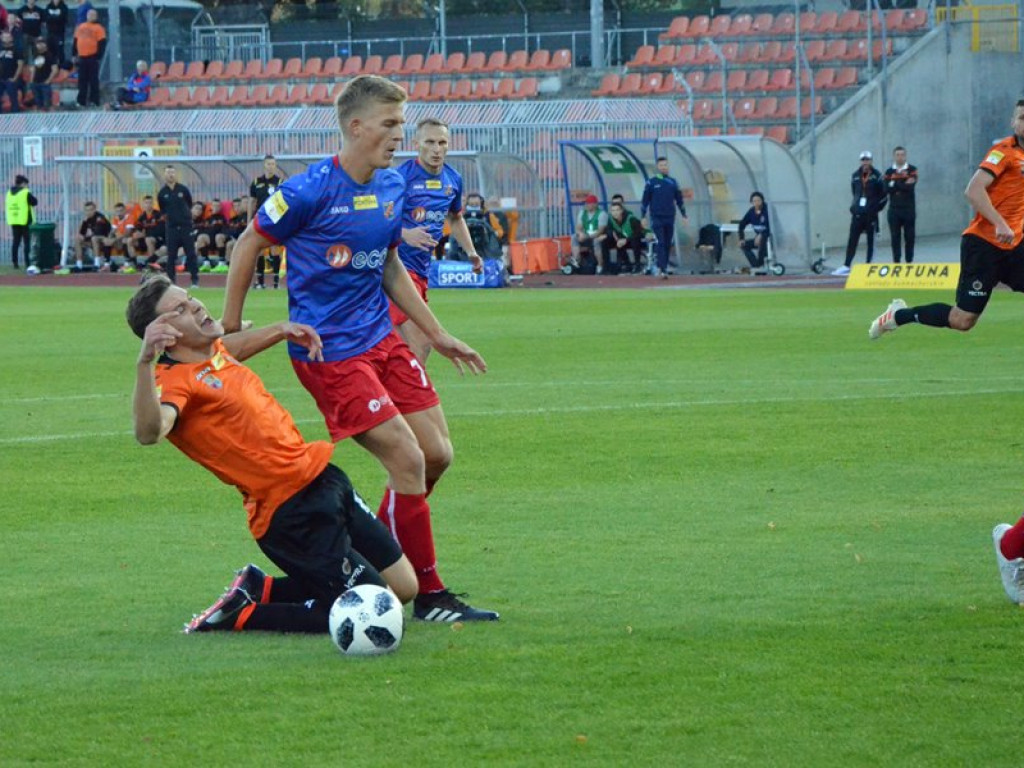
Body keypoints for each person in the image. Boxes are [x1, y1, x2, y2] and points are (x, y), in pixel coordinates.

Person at [223, 74, 499, 623]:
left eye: (402, 123)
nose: (399, 135)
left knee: (437, 455)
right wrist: (230, 324)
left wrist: (436, 333)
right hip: (330, 354)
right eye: (390, 123)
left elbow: (390, 265)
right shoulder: (308, 190)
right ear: (355, 126)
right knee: (408, 460)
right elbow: (249, 242)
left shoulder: (393, 186)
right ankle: (428, 593)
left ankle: (378, 540)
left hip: (381, 339)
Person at [126, 274, 417, 633]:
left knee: (405, 588)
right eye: (181, 309)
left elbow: (230, 347)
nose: (196, 306)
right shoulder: (173, 382)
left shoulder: (213, 354)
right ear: (164, 334)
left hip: (325, 479)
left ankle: (261, 589)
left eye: (190, 298)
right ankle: (242, 615)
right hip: (291, 513)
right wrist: (144, 362)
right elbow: (149, 432)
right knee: (378, 609)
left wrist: (281, 330)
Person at [869, 100, 1024, 340]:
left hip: (1015, 246)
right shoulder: (1003, 152)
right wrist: (1000, 223)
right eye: (1021, 118)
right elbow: (973, 191)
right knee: (963, 320)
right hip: (984, 245)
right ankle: (898, 315)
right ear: (1013, 122)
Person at [395, 116, 481, 362]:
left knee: (402, 348)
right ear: (416, 144)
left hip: (421, 270)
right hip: (396, 270)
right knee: (421, 343)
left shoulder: (453, 179)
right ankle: (415, 388)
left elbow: (455, 218)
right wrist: (405, 234)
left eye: (442, 142)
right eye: (430, 142)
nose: (436, 149)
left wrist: (471, 252)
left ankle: (393, 387)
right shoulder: (400, 178)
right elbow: (377, 218)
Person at [832, 150, 887, 277]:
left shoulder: (877, 175)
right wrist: (855, 206)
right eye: (863, 160)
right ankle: (846, 265)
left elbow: (884, 195)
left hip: (871, 214)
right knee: (852, 239)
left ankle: (869, 266)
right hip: (857, 214)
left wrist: (874, 208)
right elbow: (855, 192)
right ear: (860, 161)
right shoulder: (855, 175)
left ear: (871, 161)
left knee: (871, 241)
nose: (865, 162)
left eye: (867, 159)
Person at [641, 156, 688, 280]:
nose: (663, 167)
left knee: (667, 243)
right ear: (657, 167)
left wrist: (684, 215)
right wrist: (643, 216)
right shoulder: (651, 182)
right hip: (657, 217)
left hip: (669, 217)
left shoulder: (672, 182)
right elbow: (645, 201)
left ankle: (664, 266)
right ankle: (661, 268)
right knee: (660, 242)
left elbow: (679, 200)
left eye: (665, 165)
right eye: (661, 165)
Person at [248, 155, 286, 290]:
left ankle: (276, 282)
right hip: (260, 218)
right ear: (264, 165)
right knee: (259, 249)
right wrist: (249, 219)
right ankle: (260, 281)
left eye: (273, 164)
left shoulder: (279, 182)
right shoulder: (256, 182)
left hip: (274, 218)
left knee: (274, 248)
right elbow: (252, 202)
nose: (271, 167)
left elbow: (283, 201)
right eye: (269, 164)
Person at [156, 165, 199, 287]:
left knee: (191, 254)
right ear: (164, 175)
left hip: (186, 226)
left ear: (175, 174)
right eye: (168, 172)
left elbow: (189, 203)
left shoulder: (183, 189)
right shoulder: (162, 193)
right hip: (172, 228)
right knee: (171, 256)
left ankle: (194, 280)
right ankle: (171, 281)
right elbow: (162, 209)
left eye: (172, 172)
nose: (170, 175)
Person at [883, 146, 918, 264]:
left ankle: (909, 261)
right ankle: (896, 262)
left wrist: (894, 183)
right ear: (894, 156)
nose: (900, 157)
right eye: (897, 155)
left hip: (908, 209)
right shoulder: (889, 172)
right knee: (895, 237)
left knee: (910, 237)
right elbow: (886, 189)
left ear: (905, 156)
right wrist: (902, 183)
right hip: (894, 210)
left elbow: (910, 187)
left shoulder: (912, 169)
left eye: (902, 155)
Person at [72, 8, 104, 108]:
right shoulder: (80, 26)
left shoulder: (99, 28)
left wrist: (98, 56)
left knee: (93, 80)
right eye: (90, 14)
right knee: (82, 80)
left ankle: (94, 101)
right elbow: (75, 41)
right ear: (86, 16)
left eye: (93, 15)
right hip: (82, 57)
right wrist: (74, 54)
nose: (91, 16)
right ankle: (81, 101)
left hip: (92, 57)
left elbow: (102, 43)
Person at [5, 174, 36, 269]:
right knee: (27, 243)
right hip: (25, 220)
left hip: (14, 220)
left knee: (16, 242)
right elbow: (35, 202)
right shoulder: (25, 193)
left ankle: (15, 263)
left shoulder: (9, 193)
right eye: (26, 184)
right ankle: (27, 263)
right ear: (23, 183)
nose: (27, 186)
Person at [574, 194, 609, 275]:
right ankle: (576, 261)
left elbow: (600, 231)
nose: (586, 205)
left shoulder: (602, 214)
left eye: (589, 203)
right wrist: (580, 234)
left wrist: (588, 236)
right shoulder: (582, 213)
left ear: (595, 204)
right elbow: (578, 227)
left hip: (598, 236)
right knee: (574, 237)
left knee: (596, 241)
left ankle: (600, 265)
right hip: (586, 236)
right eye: (586, 203)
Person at [606, 199, 643, 274]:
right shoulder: (611, 220)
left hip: (634, 240)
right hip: (622, 240)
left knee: (634, 241)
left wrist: (626, 240)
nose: (615, 213)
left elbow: (639, 233)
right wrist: (616, 238)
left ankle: (637, 265)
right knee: (609, 241)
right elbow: (609, 230)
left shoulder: (631, 219)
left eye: (617, 210)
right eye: (613, 211)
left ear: (621, 211)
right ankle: (625, 265)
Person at [737, 191, 772, 271]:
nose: (757, 203)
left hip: (770, 238)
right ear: (751, 202)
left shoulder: (768, 210)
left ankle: (761, 265)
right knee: (743, 245)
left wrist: (761, 234)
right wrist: (741, 238)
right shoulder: (751, 211)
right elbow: (742, 224)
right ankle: (756, 266)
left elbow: (772, 227)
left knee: (763, 239)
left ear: (762, 201)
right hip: (759, 238)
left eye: (758, 200)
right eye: (754, 201)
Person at [131, 194, 164, 270]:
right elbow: (138, 228)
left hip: (158, 239)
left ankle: (151, 264)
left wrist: (144, 234)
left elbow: (160, 231)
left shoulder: (159, 214)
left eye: (150, 203)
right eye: (146, 203)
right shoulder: (142, 216)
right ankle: (135, 264)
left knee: (148, 239)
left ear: (153, 204)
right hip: (145, 238)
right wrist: (136, 233)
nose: (148, 205)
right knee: (130, 240)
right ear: (143, 204)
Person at [29, 38, 56, 111]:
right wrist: (31, 80)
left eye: (41, 43)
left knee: (47, 104)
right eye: (38, 43)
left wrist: (48, 81)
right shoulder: (35, 55)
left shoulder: (50, 55)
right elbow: (33, 69)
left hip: (45, 83)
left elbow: (55, 70)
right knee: (38, 104)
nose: (39, 45)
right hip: (35, 82)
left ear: (45, 44)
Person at [0, 31, 23, 113]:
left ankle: (15, 115)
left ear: (11, 38)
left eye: (8, 37)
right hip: (1, 78)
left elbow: (20, 65)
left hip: (11, 78)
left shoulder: (17, 49)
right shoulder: (0, 49)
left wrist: (15, 78)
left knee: (13, 99)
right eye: (4, 37)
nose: (6, 38)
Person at [43, 0, 68, 67]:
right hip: (50, 33)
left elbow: (63, 19)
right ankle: (51, 67)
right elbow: (46, 19)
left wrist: (52, 18)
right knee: (50, 51)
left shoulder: (64, 7)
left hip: (60, 33)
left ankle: (62, 67)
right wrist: (56, 18)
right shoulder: (48, 6)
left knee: (60, 51)